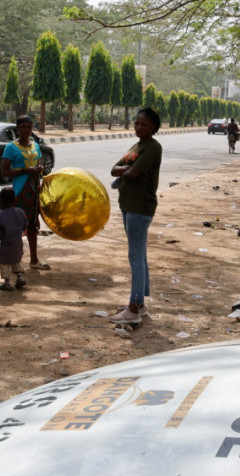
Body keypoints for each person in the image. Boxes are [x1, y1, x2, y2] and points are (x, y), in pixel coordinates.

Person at [109, 107, 162, 324]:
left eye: (144, 124)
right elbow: (115, 170)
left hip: (140, 208)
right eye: (137, 123)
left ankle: (133, 308)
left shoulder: (153, 147)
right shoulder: (136, 146)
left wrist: (128, 171)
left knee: (136, 257)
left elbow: (132, 172)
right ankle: (140, 304)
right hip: (128, 206)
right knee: (139, 256)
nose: (139, 127)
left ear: (153, 127)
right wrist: (128, 171)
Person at [1, 115, 49, 270]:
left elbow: (38, 164)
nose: (27, 130)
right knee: (17, 228)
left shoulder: (35, 145)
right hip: (20, 192)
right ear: (18, 129)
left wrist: (39, 169)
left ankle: (34, 260)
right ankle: (15, 262)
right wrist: (24, 170)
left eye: (29, 127)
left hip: (34, 190)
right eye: (23, 127)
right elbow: (4, 171)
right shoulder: (11, 148)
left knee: (33, 226)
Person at [0, 187, 28, 291]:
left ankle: (7, 283)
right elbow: (25, 224)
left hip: (6, 245)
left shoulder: (0, 216)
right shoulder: (20, 212)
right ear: (14, 200)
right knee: (16, 260)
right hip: (18, 244)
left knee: (4, 263)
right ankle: (19, 277)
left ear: (1, 201)